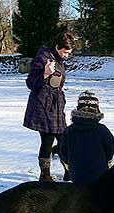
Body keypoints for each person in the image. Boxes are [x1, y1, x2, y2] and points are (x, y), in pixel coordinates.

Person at [23, 32, 75, 181]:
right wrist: (45, 74)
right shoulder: (42, 58)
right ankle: (45, 175)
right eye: (65, 52)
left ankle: (69, 171)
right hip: (43, 107)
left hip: (57, 107)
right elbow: (31, 83)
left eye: (68, 53)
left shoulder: (58, 59)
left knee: (65, 140)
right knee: (47, 140)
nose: (66, 55)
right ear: (57, 46)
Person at [59, 90, 114, 184]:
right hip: (99, 175)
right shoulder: (102, 130)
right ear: (97, 110)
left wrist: (68, 165)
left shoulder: (69, 130)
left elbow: (63, 151)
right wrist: (109, 162)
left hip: (76, 175)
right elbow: (110, 148)